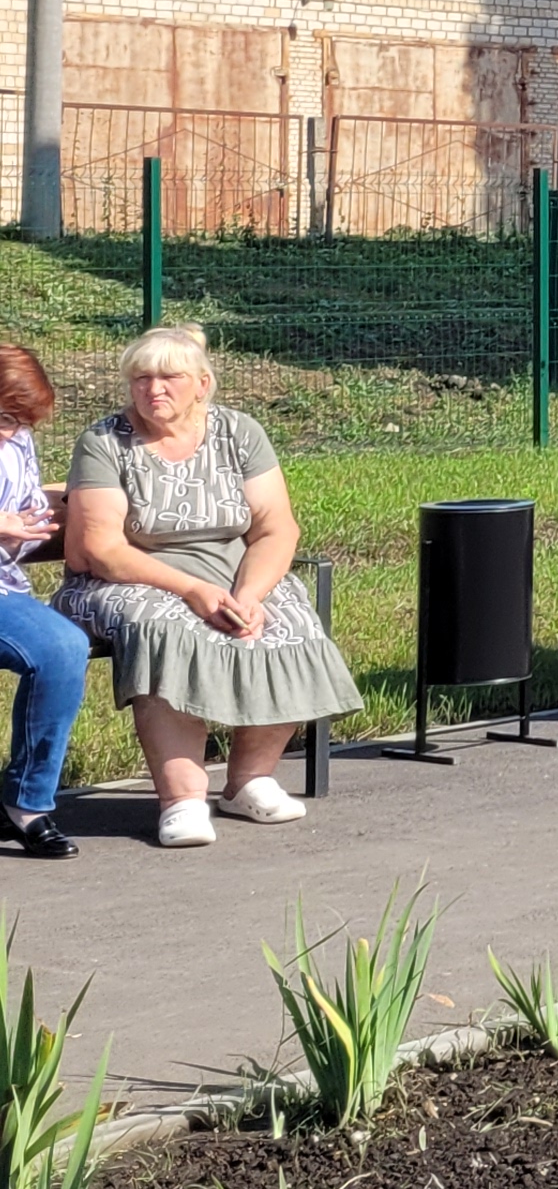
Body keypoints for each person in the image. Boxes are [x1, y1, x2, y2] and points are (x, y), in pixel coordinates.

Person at [55, 325, 359, 846]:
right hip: (131, 576)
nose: (153, 389)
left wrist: (250, 594)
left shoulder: (239, 432)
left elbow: (276, 528)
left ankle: (249, 781)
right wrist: (192, 590)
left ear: (202, 383)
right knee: (164, 630)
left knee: (289, 622)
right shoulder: (104, 442)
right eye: (141, 378)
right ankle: (182, 800)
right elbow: (100, 550)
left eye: (169, 377)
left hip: (233, 573)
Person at [0, 345, 91, 859]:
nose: (12, 432)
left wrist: (32, 523)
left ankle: (25, 804)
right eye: (5, 418)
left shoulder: (18, 441)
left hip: (3, 586)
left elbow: (28, 505)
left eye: (22, 423)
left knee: (62, 647)